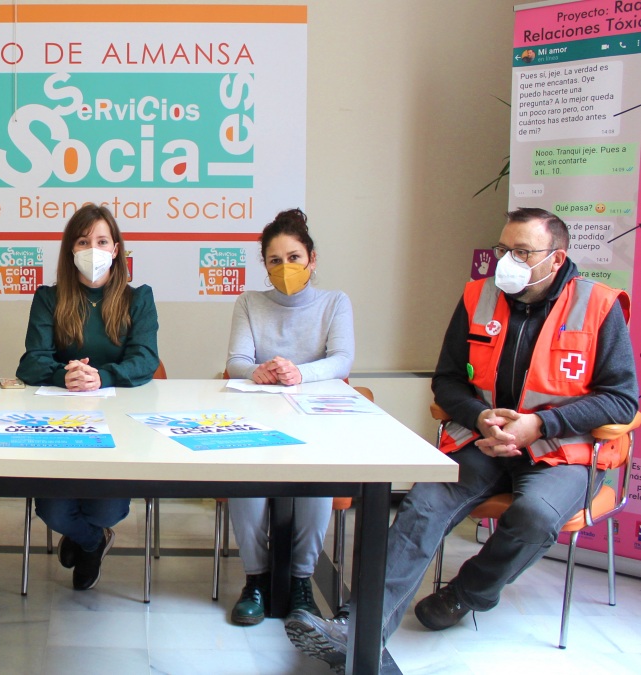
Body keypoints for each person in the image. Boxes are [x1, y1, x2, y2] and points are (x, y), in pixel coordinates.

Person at [286, 208, 637, 671]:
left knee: (533, 517)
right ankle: (357, 628)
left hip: (562, 453)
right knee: (423, 506)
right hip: (484, 444)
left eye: (522, 252)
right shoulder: (479, 297)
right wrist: (480, 416)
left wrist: (539, 425)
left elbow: (622, 401)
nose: (506, 261)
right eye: (503, 249)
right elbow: (447, 380)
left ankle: (464, 594)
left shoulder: (598, 305)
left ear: (556, 259)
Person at [15, 203, 160, 590]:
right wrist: (67, 375)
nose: (92, 249)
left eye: (101, 240)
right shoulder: (49, 298)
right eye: (83, 241)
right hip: (60, 424)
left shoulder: (137, 298)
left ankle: (89, 535)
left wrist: (102, 377)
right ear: (70, 250)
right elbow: (31, 363)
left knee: (110, 506)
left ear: (116, 249)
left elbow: (146, 360)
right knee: (52, 509)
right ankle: (92, 541)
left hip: (119, 425)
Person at [224, 208, 354, 625]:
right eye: (275, 260)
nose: (285, 268)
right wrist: (255, 371)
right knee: (246, 487)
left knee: (315, 485)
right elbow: (238, 360)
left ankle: (301, 582)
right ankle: (256, 580)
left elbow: (342, 359)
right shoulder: (249, 302)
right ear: (264, 265)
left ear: (312, 260)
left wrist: (300, 373)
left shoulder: (335, 302)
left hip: (314, 421)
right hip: (258, 420)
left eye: (294, 258)